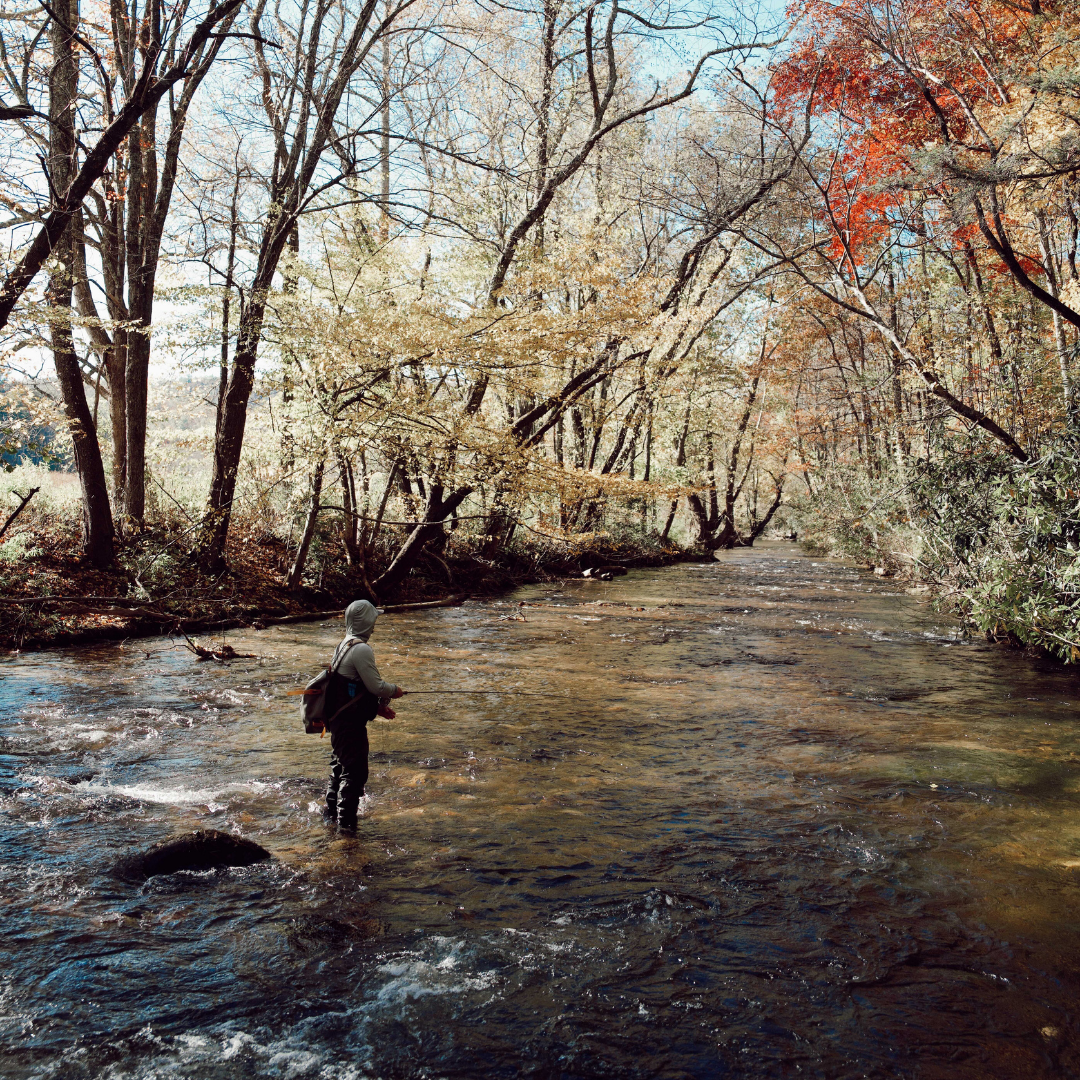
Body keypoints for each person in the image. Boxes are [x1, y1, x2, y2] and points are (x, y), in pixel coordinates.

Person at [323, 599, 405, 831]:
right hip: (349, 723)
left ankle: (331, 816)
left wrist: (377, 708)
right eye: (373, 620)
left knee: (340, 765)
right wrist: (395, 690)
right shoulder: (361, 649)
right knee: (355, 771)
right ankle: (346, 827)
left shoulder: (344, 644)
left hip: (338, 720)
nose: (374, 626)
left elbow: (350, 689)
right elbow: (377, 687)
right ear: (366, 622)